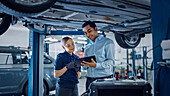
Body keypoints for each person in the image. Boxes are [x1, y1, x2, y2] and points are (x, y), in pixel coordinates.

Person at [81, 21, 115, 90]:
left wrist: (96, 65)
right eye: (85, 33)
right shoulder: (87, 47)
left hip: (104, 79)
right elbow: (86, 67)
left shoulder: (107, 42)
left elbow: (111, 62)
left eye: (89, 31)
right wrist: (82, 64)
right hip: (90, 80)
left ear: (95, 29)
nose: (87, 35)